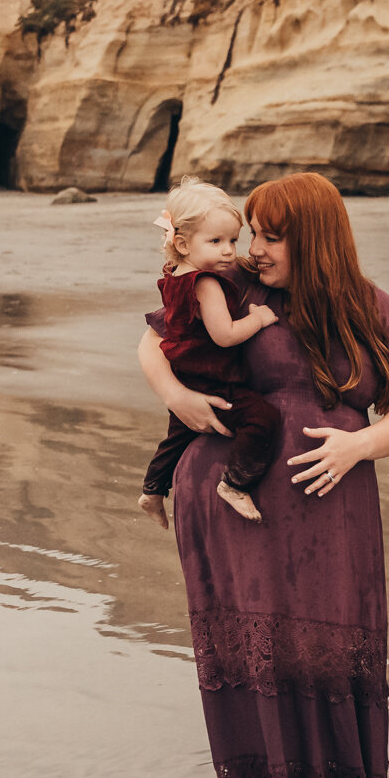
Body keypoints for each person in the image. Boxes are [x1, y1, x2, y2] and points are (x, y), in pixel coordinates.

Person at [139, 172, 389, 778]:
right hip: (234, 507)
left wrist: (360, 444)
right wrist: (176, 395)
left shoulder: (372, 307)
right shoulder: (239, 288)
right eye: (255, 235)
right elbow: (153, 341)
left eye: (273, 236)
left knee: (332, 639)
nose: (256, 248)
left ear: (315, 239)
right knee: (259, 650)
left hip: (338, 510)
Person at [139, 179, 284, 526]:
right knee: (262, 419)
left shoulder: (175, 275)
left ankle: (152, 490)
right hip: (212, 375)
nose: (230, 252)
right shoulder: (207, 283)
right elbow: (225, 335)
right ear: (183, 243)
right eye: (216, 241)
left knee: (177, 437)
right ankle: (235, 484)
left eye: (234, 240)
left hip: (185, 371)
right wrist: (259, 319)